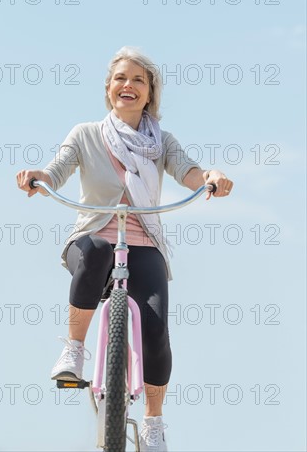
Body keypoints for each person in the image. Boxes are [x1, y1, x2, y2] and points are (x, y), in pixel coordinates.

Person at [16, 46, 233, 451]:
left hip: (144, 243)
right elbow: (58, 168)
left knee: (155, 331)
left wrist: (210, 176)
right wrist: (39, 176)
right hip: (93, 235)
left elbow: (188, 170)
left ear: (151, 93)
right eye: (120, 78)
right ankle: (75, 351)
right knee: (96, 252)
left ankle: (153, 423)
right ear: (108, 89)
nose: (128, 85)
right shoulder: (85, 134)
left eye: (138, 80)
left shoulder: (161, 141)